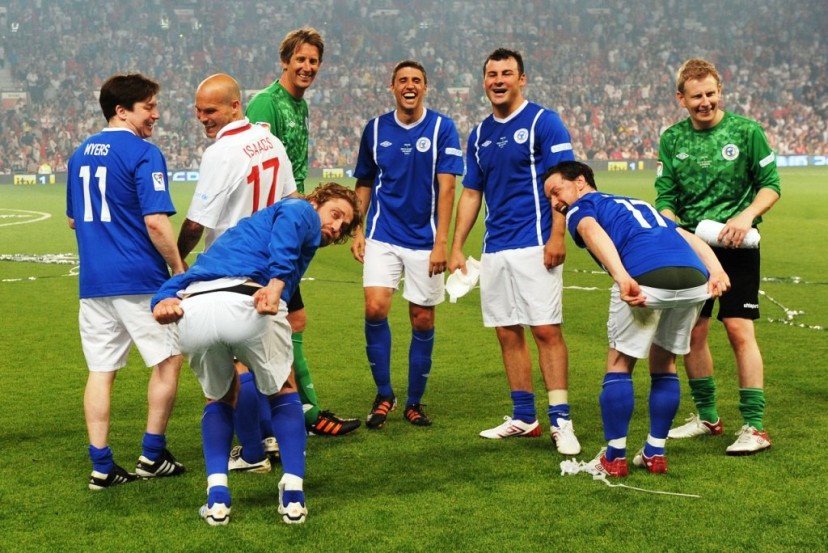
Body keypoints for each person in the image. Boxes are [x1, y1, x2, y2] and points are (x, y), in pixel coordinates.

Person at [151, 183, 360, 526]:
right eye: (335, 215)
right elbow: (291, 223)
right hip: (248, 301)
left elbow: (192, 274)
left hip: (195, 309)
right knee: (284, 391)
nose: (336, 227)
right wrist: (277, 283)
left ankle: (217, 499)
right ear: (316, 201)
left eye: (344, 226)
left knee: (218, 399)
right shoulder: (300, 209)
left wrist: (161, 301)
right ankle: (293, 497)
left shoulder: (236, 239)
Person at [543, 161, 730, 476]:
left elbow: (590, 230)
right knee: (665, 362)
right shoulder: (637, 203)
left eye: (556, 191)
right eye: (549, 197)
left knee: (620, 364)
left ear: (580, 182)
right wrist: (717, 270)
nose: (554, 202)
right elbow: (686, 236)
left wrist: (621, 276)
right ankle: (655, 452)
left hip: (646, 279)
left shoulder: (582, 207)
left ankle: (614, 457)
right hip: (695, 282)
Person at [448, 48, 580, 455]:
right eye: (492, 74)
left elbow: (565, 182)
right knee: (507, 331)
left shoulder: (543, 121)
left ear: (522, 79)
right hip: (495, 249)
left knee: (545, 330)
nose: (498, 80)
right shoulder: (480, 134)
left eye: (507, 73)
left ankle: (561, 420)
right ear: (484, 81)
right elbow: (472, 192)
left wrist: (558, 235)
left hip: (536, 244)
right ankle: (524, 417)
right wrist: (457, 246)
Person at [653, 58, 781, 455]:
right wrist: (672, 227)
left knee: (739, 329)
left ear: (719, 91)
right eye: (696, 96)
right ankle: (707, 417)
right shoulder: (672, 139)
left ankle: (754, 426)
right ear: (681, 98)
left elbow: (771, 185)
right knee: (694, 332)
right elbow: (665, 195)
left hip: (737, 246)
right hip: (693, 247)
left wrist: (746, 216)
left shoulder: (747, 132)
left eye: (710, 94)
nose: (705, 102)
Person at [66, 73, 186, 490]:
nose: (156, 114)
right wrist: (179, 268)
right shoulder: (144, 152)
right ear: (122, 110)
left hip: (94, 282)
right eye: (148, 107)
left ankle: (101, 466)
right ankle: (152, 456)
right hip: (139, 278)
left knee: (101, 371)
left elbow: (73, 220)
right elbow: (155, 222)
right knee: (168, 361)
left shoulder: (79, 154)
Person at [177, 73, 298, 473]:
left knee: (236, 361)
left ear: (235, 105)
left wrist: (177, 262)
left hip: (231, 266)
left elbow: (196, 223)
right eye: (198, 112)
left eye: (210, 110)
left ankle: (251, 453)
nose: (203, 118)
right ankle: (270, 436)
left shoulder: (221, 153)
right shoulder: (270, 140)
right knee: (269, 359)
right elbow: (292, 200)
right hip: (270, 264)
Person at [246, 27, 359, 436]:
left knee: (292, 320)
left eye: (314, 61)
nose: (308, 67)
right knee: (269, 329)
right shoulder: (267, 102)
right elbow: (256, 167)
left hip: (289, 221)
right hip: (271, 229)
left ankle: (302, 414)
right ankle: (286, 421)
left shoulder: (300, 105)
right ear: (285, 60)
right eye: (301, 59)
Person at [350, 60, 464, 429]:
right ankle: (384, 394)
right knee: (375, 308)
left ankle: (414, 402)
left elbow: (448, 188)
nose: (409, 85)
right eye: (403, 80)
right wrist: (357, 229)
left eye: (416, 80)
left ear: (425, 87)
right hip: (382, 233)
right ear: (393, 87)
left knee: (423, 318)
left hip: (425, 240)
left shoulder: (443, 128)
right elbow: (364, 183)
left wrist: (442, 242)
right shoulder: (375, 128)